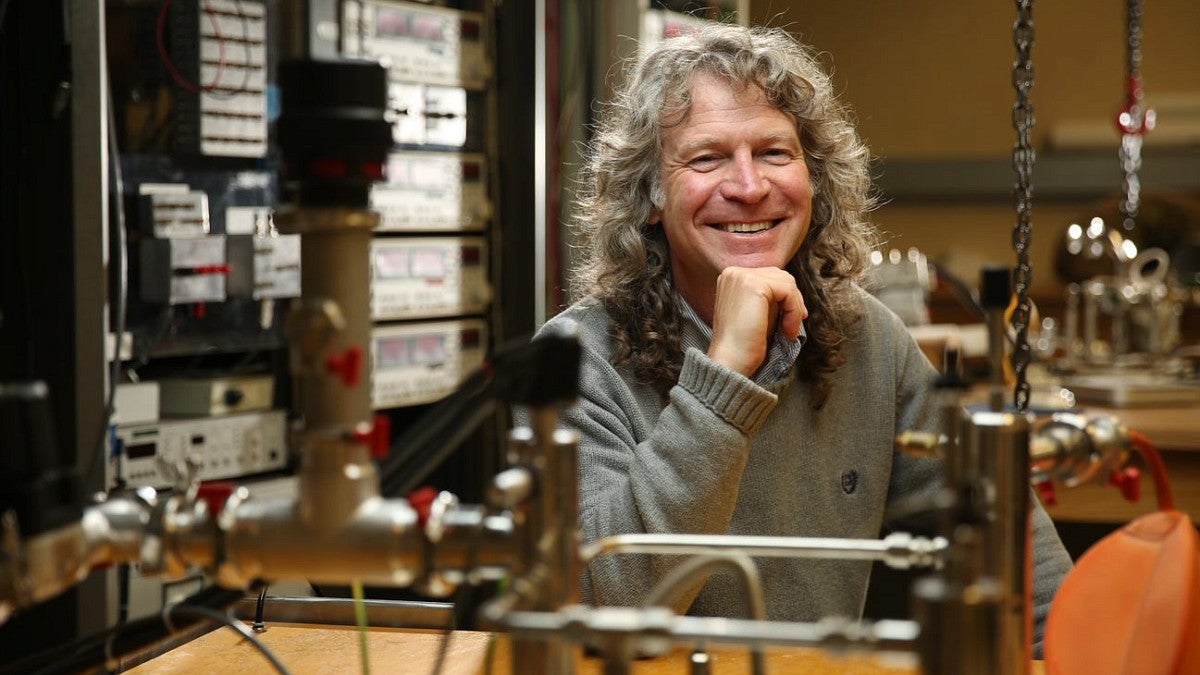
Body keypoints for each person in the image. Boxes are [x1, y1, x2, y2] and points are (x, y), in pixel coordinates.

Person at [533, 22, 1072, 653]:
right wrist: (725, 374)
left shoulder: (868, 338)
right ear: (649, 196)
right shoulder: (575, 359)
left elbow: (1022, 567)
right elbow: (608, 608)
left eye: (774, 153)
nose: (749, 185)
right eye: (707, 158)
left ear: (814, 181)